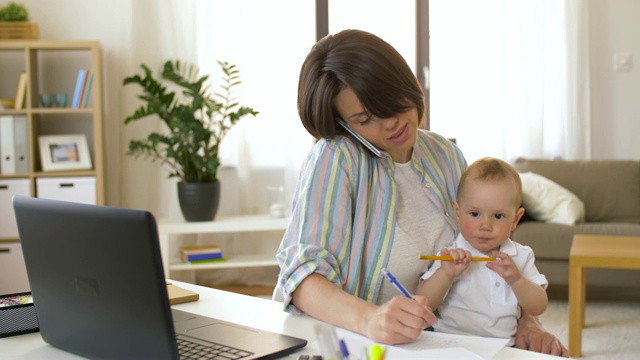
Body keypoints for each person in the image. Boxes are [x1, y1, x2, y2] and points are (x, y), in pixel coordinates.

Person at [274, 29, 568, 356]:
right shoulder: (335, 158)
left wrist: (528, 321)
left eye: (389, 102)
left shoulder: (444, 154)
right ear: (345, 125)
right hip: (353, 344)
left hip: (433, 342)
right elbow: (301, 278)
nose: (389, 123)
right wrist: (371, 318)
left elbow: (486, 248)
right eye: (366, 119)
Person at [416, 157, 549, 346]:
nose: (485, 225)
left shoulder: (521, 256)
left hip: (503, 347)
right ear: (458, 212)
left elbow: (539, 306)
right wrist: (445, 274)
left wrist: (517, 280)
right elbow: (425, 302)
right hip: (450, 344)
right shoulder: (450, 253)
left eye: (498, 216)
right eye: (475, 214)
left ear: (516, 219)